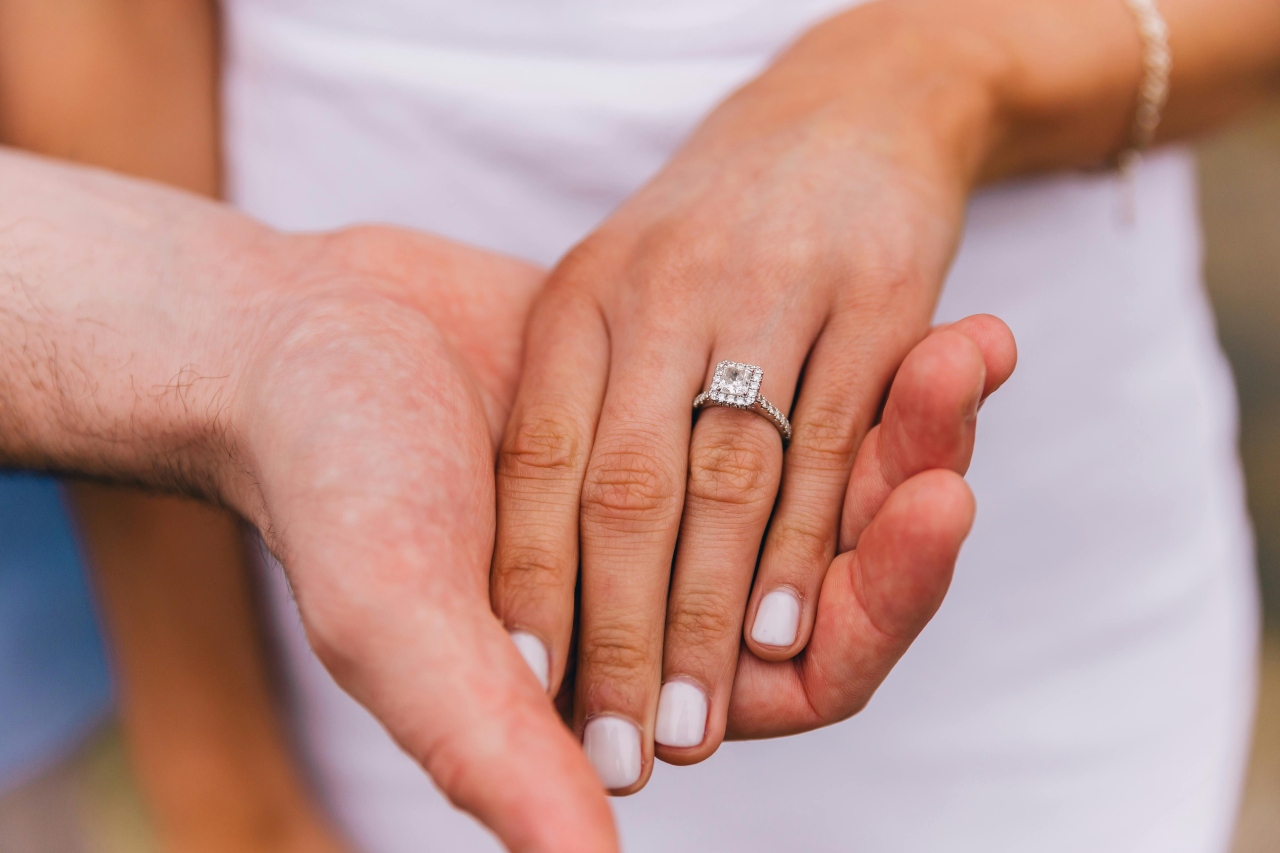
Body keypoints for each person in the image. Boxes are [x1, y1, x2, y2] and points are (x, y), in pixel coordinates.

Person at [0, 4, 1005, 853]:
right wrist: (221, 777)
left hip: (1064, 604)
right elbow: (104, 37)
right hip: (346, 612)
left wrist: (917, 75)